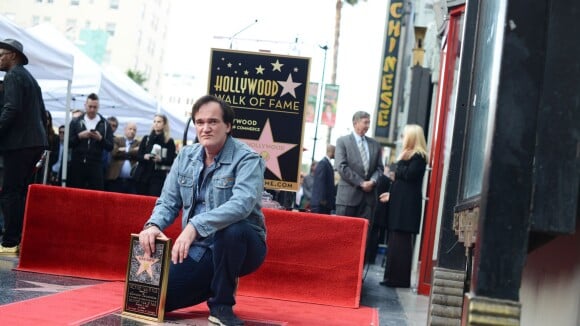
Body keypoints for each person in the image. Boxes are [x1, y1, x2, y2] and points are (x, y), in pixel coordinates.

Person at [138, 95, 267, 326]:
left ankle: (222, 306)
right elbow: (168, 201)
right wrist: (153, 225)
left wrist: (195, 226)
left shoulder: (248, 158)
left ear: (228, 126)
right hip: (199, 250)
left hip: (244, 245)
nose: (205, 128)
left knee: (233, 229)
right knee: (151, 301)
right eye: (200, 122)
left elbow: (242, 204)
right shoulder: (185, 156)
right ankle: (213, 280)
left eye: (213, 122)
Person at [0, 39, 48, 254]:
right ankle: (16, 240)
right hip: (32, 143)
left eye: (1, 54)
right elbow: (43, 113)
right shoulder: (29, 78)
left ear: (13, 55)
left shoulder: (13, 76)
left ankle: (10, 242)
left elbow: (11, 109)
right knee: (18, 192)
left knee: (11, 191)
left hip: (19, 144)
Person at [379, 124, 428, 288]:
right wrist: (391, 194)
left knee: (401, 241)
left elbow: (408, 176)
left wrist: (399, 166)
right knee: (394, 240)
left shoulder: (419, 157)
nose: (402, 138)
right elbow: (400, 181)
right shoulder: (407, 156)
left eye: (405, 135)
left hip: (406, 209)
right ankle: (391, 277)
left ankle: (398, 279)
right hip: (399, 204)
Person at [334, 111, 384, 263]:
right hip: (348, 198)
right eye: (365, 122)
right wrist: (361, 183)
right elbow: (341, 166)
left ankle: (357, 276)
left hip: (368, 200)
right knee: (343, 237)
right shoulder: (342, 141)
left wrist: (373, 182)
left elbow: (380, 169)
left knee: (363, 240)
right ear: (355, 123)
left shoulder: (375, 145)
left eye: (369, 122)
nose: (368, 126)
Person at [67, 93, 114, 190]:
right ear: (85, 105)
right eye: (90, 106)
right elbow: (68, 143)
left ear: (98, 107)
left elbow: (110, 146)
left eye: (95, 107)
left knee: (96, 194)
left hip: (96, 164)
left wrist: (100, 139)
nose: (92, 109)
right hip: (77, 164)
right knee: (75, 193)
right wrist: (79, 136)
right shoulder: (75, 121)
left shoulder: (105, 124)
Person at [134, 114, 176, 196]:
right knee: (139, 201)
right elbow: (138, 156)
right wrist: (144, 156)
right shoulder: (146, 138)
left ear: (164, 124)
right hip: (142, 175)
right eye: (154, 121)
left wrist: (160, 160)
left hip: (157, 177)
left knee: (153, 201)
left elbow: (171, 160)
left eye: (159, 122)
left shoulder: (169, 141)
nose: (156, 124)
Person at [367, 163, 393, 264]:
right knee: (376, 236)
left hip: (374, 208)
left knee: (370, 234)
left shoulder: (376, 180)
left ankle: (368, 256)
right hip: (382, 211)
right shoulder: (387, 181)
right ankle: (372, 258)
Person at [105, 122, 140, 194]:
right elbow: (114, 152)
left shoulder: (139, 143)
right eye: (130, 129)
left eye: (134, 130)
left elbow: (138, 154)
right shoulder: (116, 140)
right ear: (125, 130)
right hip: (115, 179)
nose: (132, 131)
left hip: (131, 181)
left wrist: (124, 150)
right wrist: (132, 151)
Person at [310, 144, 336, 214]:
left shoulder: (327, 163)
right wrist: (322, 201)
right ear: (332, 152)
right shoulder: (323, 163)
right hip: (321, 204)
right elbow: (320, 183)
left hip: (325, 204)